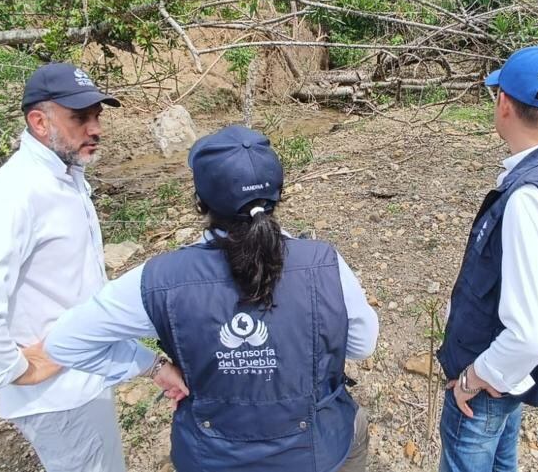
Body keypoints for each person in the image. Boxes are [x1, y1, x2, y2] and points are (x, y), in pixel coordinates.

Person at [45, 125, 379, 472]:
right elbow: (362, 344)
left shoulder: (159, 279)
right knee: (352, 426)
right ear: (278, 195)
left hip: (211, 459)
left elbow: (64, 342)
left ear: (200, 203)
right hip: (317, 454)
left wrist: (154, 367)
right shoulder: (324, 264)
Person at [0, 62, 183, 472]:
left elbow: (80, 301)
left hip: (81, 381)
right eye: (80, 118)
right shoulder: (15, 192)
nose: (95, 128)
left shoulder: (65, 178)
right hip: (59, 397)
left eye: (97, 116)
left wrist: (152, 366)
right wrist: (15, 369)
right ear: (39, 122)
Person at [436, 46, 538, 472]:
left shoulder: (530, 197)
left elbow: (530, 334)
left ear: (505, 103)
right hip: (513, 378)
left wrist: (473, 378)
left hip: (487, 384)